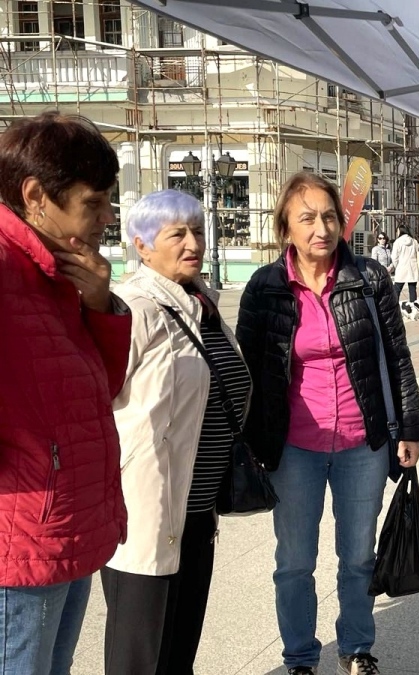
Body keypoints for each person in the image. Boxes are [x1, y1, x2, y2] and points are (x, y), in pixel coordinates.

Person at [236, 172, 419, 675]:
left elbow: (398, 357)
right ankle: (299, 656)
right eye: (307, 218)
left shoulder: (368, 278)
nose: (321, 228)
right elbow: (249, 372)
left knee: (358, 555)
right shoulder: (265, 287)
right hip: (293, 446)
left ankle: (357, 648)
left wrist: (410, 429)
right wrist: (251, 443)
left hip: (363, 444)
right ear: (286, 229)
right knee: (294, 561)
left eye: (328, 216)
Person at [0, 111, 130, 673]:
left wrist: (100, 306)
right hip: (23, 536)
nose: (107, 217)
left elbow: (104, 388)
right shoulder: (6, 266)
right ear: (35, 196)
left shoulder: (58, 269)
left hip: (66, 524)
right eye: (93, 202)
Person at [101, 190, 251, 673]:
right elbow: (97, 404)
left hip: (196, 514)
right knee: (139, 660)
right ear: (142, 246)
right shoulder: (133, 309)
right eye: (177, 234)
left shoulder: (199, 304)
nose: (194, 243)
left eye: (199, 232)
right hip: (147, 516)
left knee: (179, 653)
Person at [391, 224, 419, 301]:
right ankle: (413, 308)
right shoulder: (414, 241)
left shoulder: (398, 242)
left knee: (397, 289)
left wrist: (397, 266)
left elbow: (394, 256)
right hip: (413, 267)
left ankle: (395, 307)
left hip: (401, 267)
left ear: (400, 231)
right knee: (412, 290)